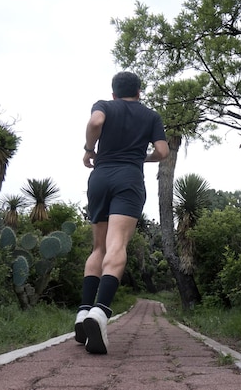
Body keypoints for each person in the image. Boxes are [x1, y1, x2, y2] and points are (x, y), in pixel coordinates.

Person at [76, 71, 169, 354]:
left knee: (99, 247)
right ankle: (100, 312)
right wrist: (145, 156)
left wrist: (89, 149)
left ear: (114, 93)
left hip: (100, 176)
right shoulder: (151, 116)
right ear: (139, 92)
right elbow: (163, 152)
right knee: (118, 244)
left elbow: (95, 122)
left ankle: (82, 313)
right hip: (128, 178)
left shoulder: (104, 104)